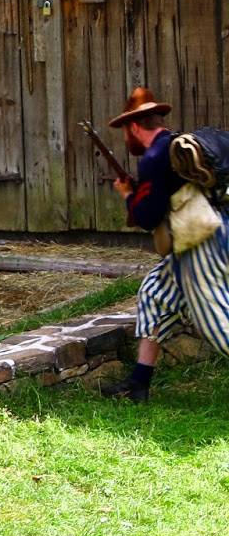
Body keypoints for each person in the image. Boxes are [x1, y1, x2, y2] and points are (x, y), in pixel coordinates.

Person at [101, 88, 229, 403]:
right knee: (154, 295)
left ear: (134, 127)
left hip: (201, 246)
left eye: (125, 131)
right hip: (208, 236)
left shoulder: (155, 158)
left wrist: (127, 195)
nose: (126, 138)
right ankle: (138, 384)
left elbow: (147, 216)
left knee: (218, 325)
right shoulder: (174, 147)